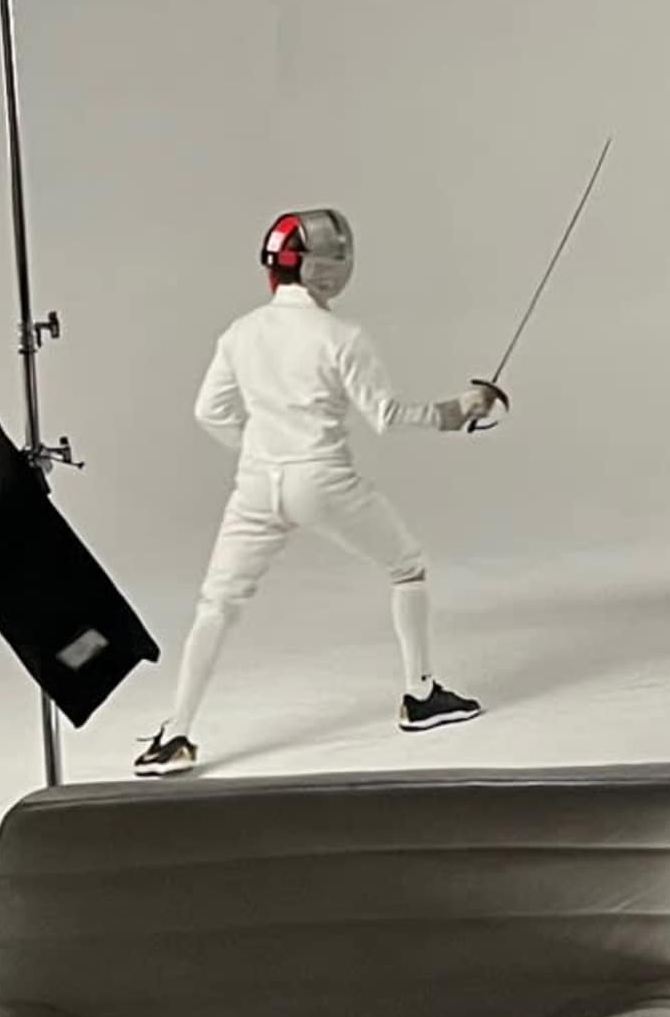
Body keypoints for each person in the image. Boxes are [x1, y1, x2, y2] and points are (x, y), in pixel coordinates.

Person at [134, 208, 503, 777]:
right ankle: (420, 695)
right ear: (329, 271)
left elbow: (209, 411)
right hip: (323, 480)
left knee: (218, 602)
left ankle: (174, 735)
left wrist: (261, 450)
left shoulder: (240, 332)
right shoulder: (342, 337)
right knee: (407, 567)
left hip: (256, 484)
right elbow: (386, 415)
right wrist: (457, 412)